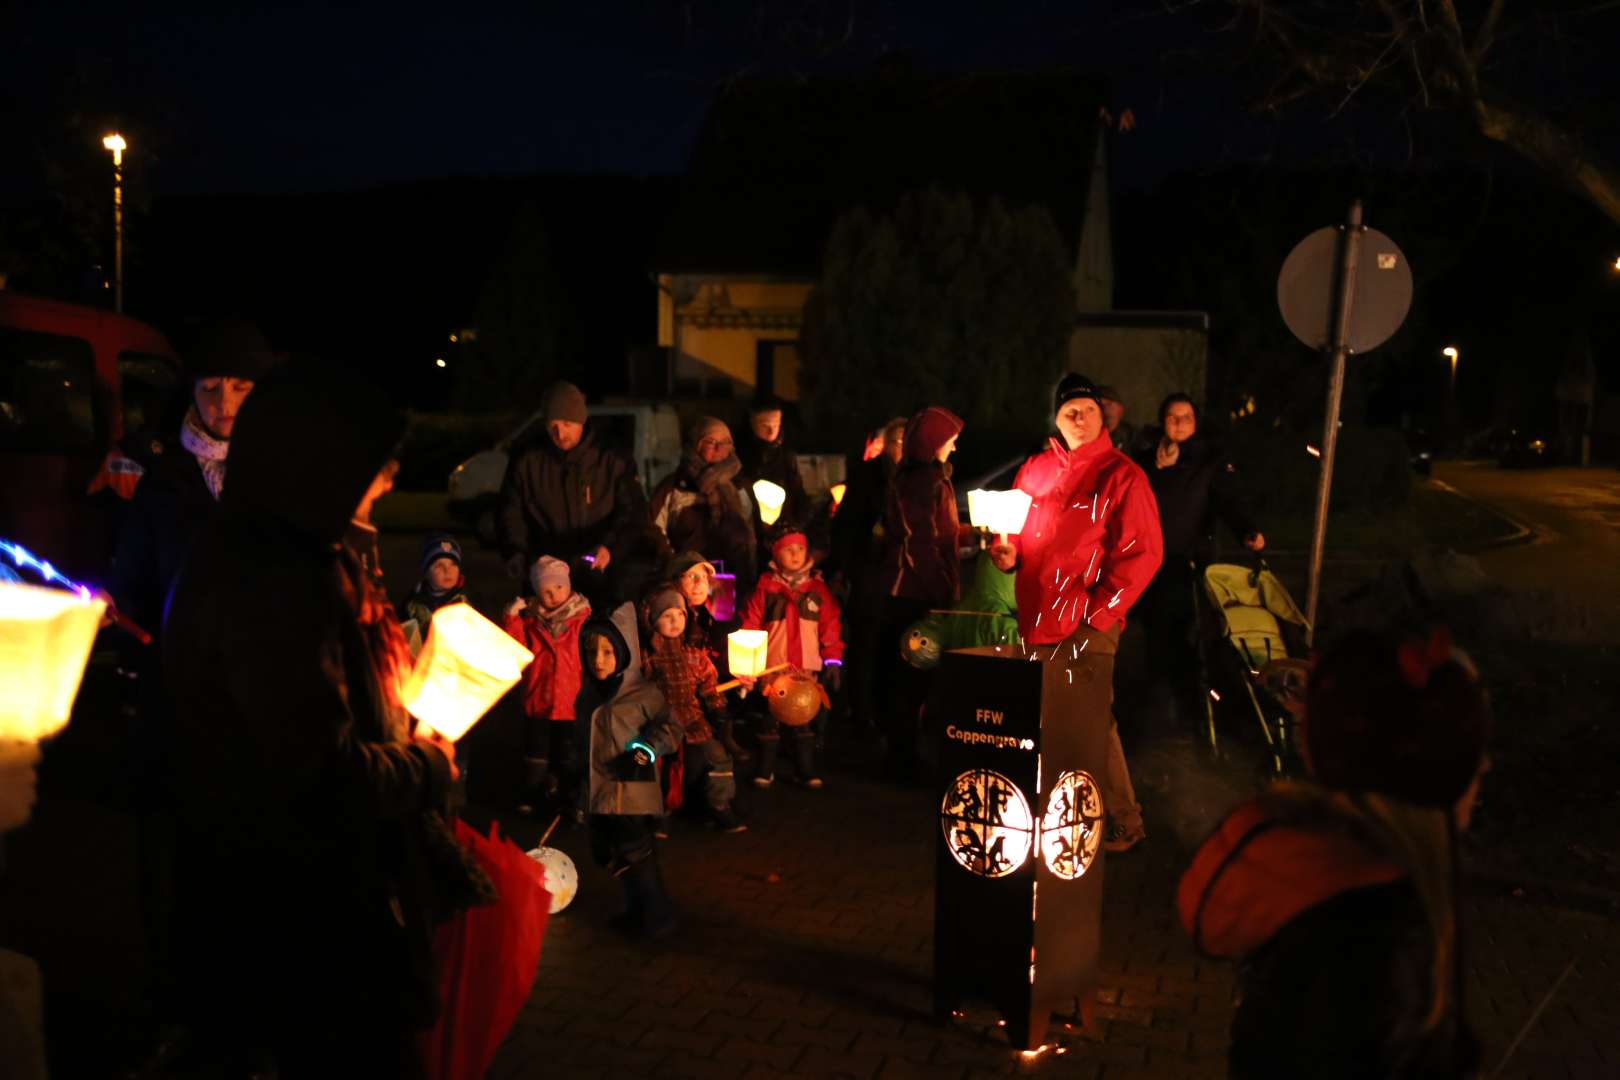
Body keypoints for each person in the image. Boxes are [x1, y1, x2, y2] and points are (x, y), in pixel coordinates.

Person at [162, 362, 467, 1075]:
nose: (386, 483)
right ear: (315, 464)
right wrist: (426, 763)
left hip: (299, 904)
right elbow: (321, 772)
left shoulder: (288, 552)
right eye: (371, 468)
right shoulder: (271, 582)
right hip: (300, 921)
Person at [1177, 627, 1488, 1078]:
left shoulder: (1335, 888)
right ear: (1431, 771)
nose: (1486, 765)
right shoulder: (1373, 937)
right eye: (1473, 750)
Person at [991, 373, 1163, 852]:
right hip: (1038, 616)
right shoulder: (1036, 470)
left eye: (1088, 410)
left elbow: (1143, 553)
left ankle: (1123, 820)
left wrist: (1098, 613)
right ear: (1058, 418)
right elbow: (1017, 534)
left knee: (1088, 719)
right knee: (1050, 719)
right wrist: (1009, 554)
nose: (1080, 418)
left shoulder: (1122, 475)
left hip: (1087, 622)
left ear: (1101, 416)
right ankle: (1066, 815)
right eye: (1071, 411)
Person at [1132, 393, 1264, 732]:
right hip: (1151, 564)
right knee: (1155, 637)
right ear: (1162, 420)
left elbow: (1228, 499)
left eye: (1186, 418)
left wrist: (1247, 530)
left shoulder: (1209, 460)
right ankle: (1157, 711)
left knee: (1191, 637)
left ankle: (1193, 712)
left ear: (1196, 422)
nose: (1179, 424)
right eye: (1172, 417)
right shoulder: (1146, 458)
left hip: (1190, 564)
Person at [496, 380, 659, 610]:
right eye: (553, 425)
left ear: (581, 421)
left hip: (600, 576)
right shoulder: (527, 461)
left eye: (567, 424)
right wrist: (515, 552)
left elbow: (632, 511)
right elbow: (510, 511)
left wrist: (609, 547)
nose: (560, 433)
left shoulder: (611, 458)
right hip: (547, 579)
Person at [576, 603, 683, 939]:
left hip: (632, 793)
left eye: (608, 652)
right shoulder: (589, 693)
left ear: (624, 653)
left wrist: (644, 751)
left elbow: (672, 727)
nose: (598, 660)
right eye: (591, 652)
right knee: (614, 854)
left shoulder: (643, 694)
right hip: (601, 792)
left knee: (636, 853)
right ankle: (636, 909)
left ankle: (656, 915)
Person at [875, 406, 969, 779]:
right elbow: (920, 543)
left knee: (912, 677)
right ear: (933, 443)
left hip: (916, 592)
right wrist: (941, 590)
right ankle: (902, 759)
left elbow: (939, 531)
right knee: (910, 676)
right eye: (951, 441)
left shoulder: (927, 478)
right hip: (913, 594)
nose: (954, 448)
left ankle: (904, 753)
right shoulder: (921, 482)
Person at [739, 527, 844, 789]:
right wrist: (746, 663)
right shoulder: (766, 588)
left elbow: (830, 626)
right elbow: (750, 624)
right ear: (776, 553)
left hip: (805, 667)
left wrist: (832, 660)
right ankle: (765, 769)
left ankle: (804, 770)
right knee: (770, 717)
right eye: (788, 549)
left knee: (803, 716)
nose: (795, 554)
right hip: (773, 666)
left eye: (800, 549)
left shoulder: (818, 589)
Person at [639, 585, 747, 833]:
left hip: (693, 721)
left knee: (717, 758)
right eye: (667, 615)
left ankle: (719, 805)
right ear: (653, 621)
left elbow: (709, 685)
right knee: (656, 769)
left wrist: (719, 710)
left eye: (680, 614)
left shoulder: (694, 655)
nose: (675, 621)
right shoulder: (647, 657)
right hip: (660, 723)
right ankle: (659, 815)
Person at [829, 416, 905, 732]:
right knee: (866, 641)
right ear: (886, 444)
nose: (903, 448)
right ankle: (861, 710)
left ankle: (885, 708)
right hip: (869, 570)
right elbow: (847, 524)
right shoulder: (870, 476)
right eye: (898, 441)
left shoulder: (913, 475)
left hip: (897, 573)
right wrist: (844, 567)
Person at [503, 555, 591, 818]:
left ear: (569, 585)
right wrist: (512, 619)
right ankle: (532, 794)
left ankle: (567, 799)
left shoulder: (581, 619)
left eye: (559, 587)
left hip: (570, 700)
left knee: (567, 753)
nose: (553, 595)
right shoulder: (531, 621)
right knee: (536, 752)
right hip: (539, 696)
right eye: (546, 591)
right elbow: (516, 650)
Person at [649, 417, 757, 591]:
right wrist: (674, 565)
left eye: (725, 442)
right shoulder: (674, 486)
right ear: (695, 445)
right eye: (711, 442)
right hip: (688, 583)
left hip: (733, 582)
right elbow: (654, 530)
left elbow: (750, 532)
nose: (719, 448)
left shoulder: (740, 486)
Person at [667, 549, 750, 767]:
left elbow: (712, 656)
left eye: (704, 577)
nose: (699, 584)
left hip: (701, 687)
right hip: (677, 699)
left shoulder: (704, 615)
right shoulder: (670, 617)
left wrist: (740, 673)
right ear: (674, 580)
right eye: (691, 576)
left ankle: (724, 735)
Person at [737, 395, 810, 550]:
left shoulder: (786, 455)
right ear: (752, 422)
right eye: (764, 425)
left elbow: (798, 493)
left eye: (776, 425)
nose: (771, 431)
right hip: (751, 535)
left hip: (784, 536)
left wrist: (796, 526)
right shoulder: (740, 456)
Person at [402, 533, 470, 633]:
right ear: (426, 573)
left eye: (453, 564)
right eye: (439, 566)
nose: (447, 571)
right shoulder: (411, 606)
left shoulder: (468, 603)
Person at [1096, 384, 1138, 454]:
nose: (1104, 409)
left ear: (1120, 409)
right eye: (1099, 406)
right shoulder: (1087, 438)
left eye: (1109, 404)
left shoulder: (1132, 436)